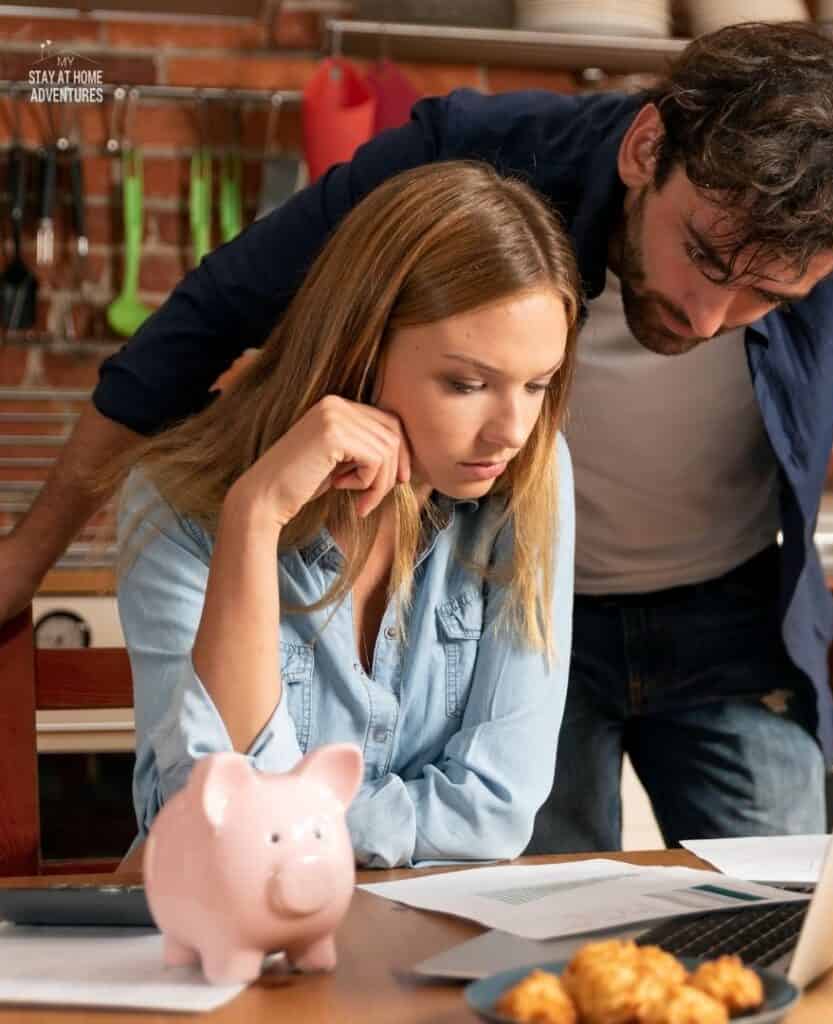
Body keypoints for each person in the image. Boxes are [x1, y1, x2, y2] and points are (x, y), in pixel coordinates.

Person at [4, 22, 833, 850]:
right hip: (518, 607)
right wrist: (27, 560)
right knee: (521, 933)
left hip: (728, 621)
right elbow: (206, 322)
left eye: (766, 296)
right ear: (646, 148)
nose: (712, 317)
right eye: (705, 257)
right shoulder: (471, 165)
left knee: (777, 925)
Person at [112, 162, 580, 868]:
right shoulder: (177, 505)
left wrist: (283, 820)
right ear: (361, 346)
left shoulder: (533, 476)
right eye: (467, 383)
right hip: (232, 945)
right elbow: (215, 828)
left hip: (421, 943)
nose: (510, 430)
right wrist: (255, 514)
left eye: (538, 384)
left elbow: (496, 811)